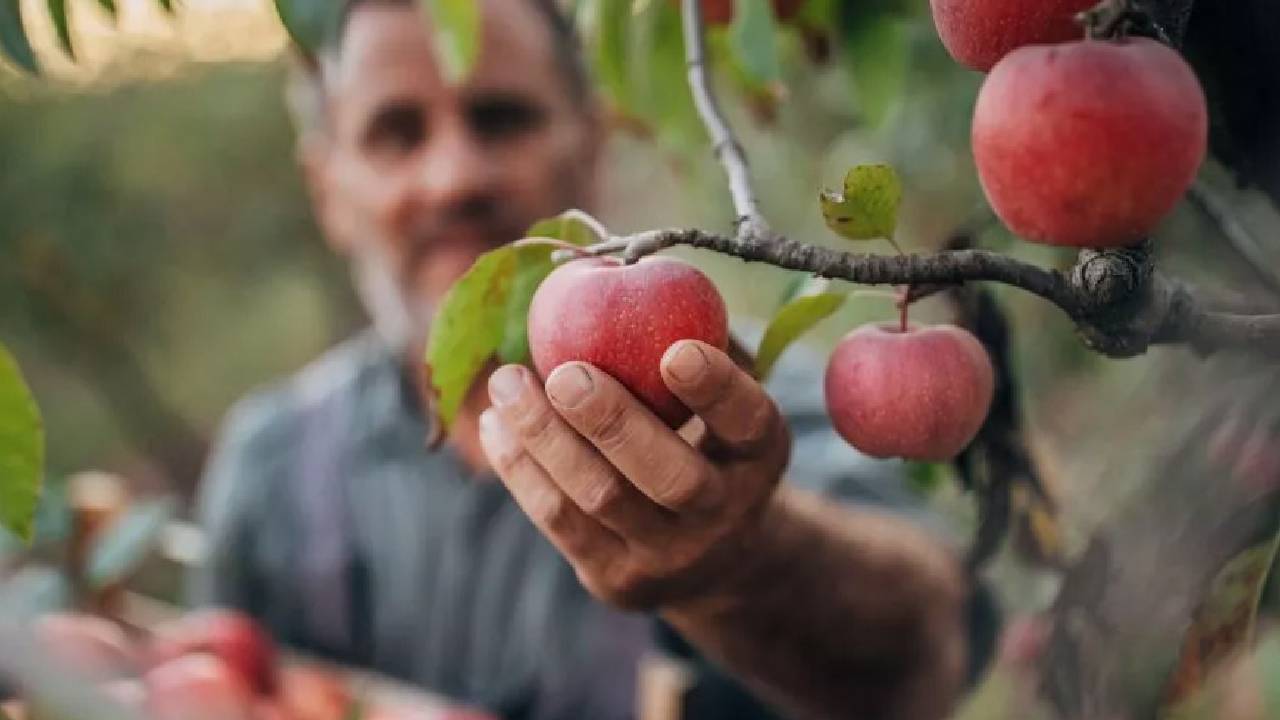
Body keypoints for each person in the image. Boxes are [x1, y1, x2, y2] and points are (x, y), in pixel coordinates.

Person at [194, 0, 995, 718]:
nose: (453, 177)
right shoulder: (272, 471)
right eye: (396, 132)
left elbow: (930, 656)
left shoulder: (743, 400)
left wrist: (746, 561)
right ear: (328, 189)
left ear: (594, 143)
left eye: (501, 118)